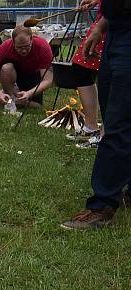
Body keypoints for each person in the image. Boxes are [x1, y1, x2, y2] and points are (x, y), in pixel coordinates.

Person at [61, 0, 131, 229]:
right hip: (115, 31)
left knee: (119, 121)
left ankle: (103, 204)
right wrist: (101, 28)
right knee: (113, 117)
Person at [0, 25, 54, 110]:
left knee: (37, 106)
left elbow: (48, 80)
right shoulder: (5, 46)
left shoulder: (43, 47)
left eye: (27, 46)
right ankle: (10, 97)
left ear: (31, 39)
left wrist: (29, 93)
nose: (23, 50)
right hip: (15, 73)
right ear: (13, 42)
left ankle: (15, 99)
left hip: (33, 75)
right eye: (19, 47)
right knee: (6, 68)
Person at [67, 0, 105, 149]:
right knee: (81, 69)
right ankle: (91, 127)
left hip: (112, 26)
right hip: (104, 23)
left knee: (109, 77)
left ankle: (104, 135)